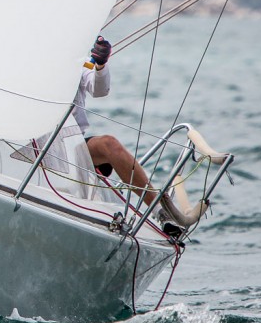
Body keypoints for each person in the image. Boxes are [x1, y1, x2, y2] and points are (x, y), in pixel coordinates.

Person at [76, 36, 188, 234]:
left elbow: (99, 90)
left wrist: (100, 65)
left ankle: (160, 211)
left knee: (109, 144)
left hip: (69, 143)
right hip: (25, 139)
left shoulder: (76, 59)